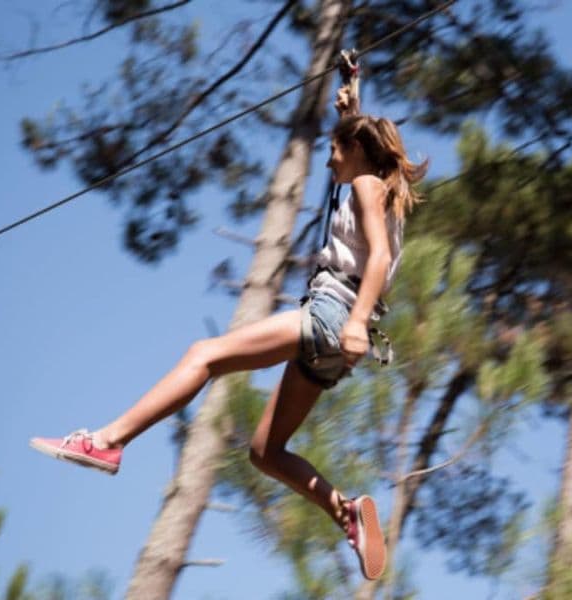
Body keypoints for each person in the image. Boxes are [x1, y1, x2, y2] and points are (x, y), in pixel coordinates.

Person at [30, 86, 428, 581]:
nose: (328, 163)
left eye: (334, 150)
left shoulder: (366, 186)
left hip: (334, 314)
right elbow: (372, 229)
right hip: (339, 334)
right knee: (265, 452)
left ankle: (108, 441)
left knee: (204, 354)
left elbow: (380, 260)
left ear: (356, 152)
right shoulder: (377, 191)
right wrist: (351, 110)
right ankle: (345, 511)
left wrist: (352, 322)